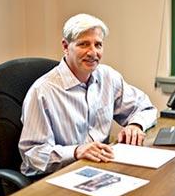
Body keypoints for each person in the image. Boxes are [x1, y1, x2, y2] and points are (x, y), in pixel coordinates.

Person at [19, 13, 157, 176]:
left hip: (100, 169)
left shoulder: (108, 77)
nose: (93, 53)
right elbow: (33, 154)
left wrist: (136, 125)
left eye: (98, 45)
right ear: (65, 46)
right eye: (83, 44)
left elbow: (146, 109)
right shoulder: (42, 92)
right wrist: (76, 152)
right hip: (57, 177)